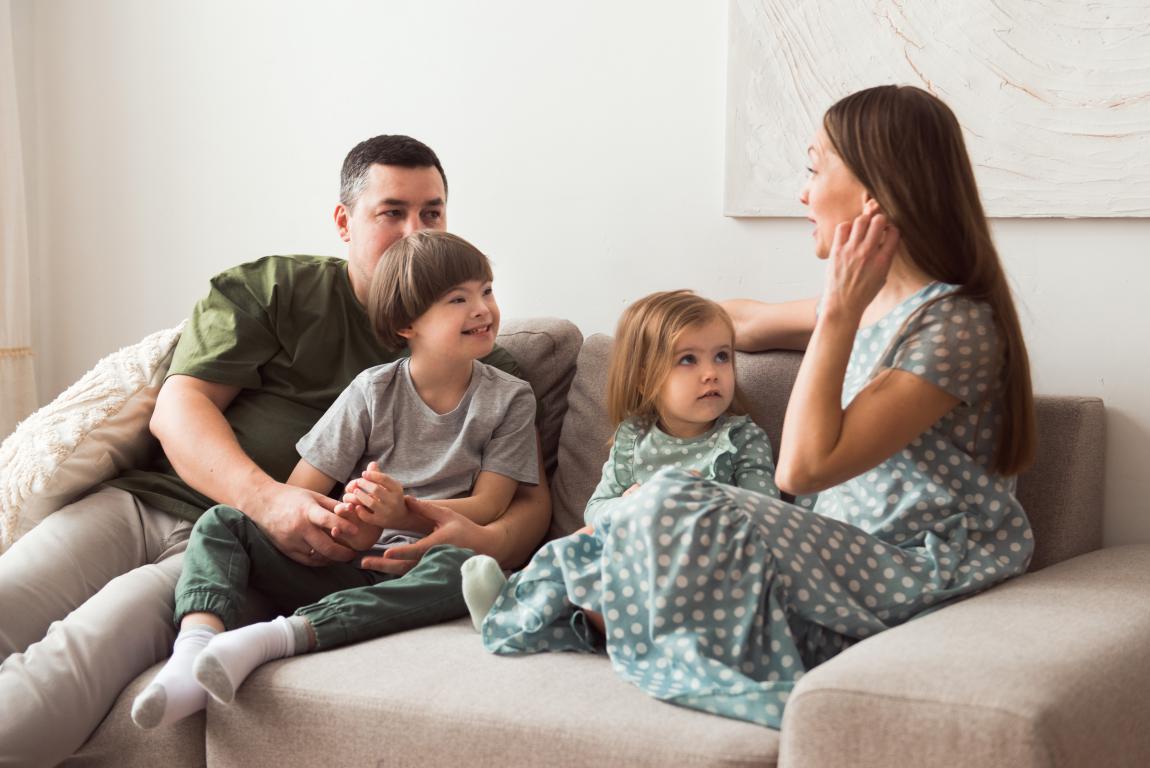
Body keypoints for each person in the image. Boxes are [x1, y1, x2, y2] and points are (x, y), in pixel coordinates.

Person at [0, 136, 550, 765]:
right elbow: (178, 409)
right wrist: (268, 500)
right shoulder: (277, 288)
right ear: (344, 221)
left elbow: (531, 504)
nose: (413, 230)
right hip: (152, 503)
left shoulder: (485, 365)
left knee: (82, 650)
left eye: (432, 213)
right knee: (11, 595)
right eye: (390, 212)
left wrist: (478, 541)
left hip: (253, 556)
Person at [572, 85, 1038, 728]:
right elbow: (743, 319)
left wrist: (840, 311)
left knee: (669, 496)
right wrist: (677, 335)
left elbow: (801, 470)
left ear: (875, 195)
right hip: (840, 560)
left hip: (915, 566)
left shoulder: (954, 327)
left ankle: (653, 636)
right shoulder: (864, 309)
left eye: (814, 169)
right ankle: (595, 609)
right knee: (593, 539)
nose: (802, 192)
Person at [131, 230, 539, 729]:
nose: (483, 309)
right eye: (459, 299)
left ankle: (278, 637)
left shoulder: (511, 397)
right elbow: (304, 490)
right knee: (222, 522)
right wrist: (346, 526)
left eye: (487, 291)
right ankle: (192, 650)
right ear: (406, 324)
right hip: (348, 558)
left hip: (422, 566)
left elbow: (492, 504)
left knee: (466, 567)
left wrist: (404, 515)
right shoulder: (371, 391)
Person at [460, 290, 780, 649]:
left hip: (699, 566)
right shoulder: (634, 437)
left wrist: (689, 499)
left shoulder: (741, 437)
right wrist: (633, 504)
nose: (711, 374)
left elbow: (765, 513)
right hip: (631, 561)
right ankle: (512, 604)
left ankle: (621, 627)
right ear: (645, 379)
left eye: (722, 357)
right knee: (580, 544)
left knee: (601, 573)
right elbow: (596, 509)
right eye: (688, 360)